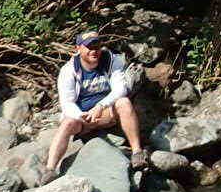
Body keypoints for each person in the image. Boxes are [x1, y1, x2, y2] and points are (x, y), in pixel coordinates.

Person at [46, 31, 147, 175]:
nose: (94, 51)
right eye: (89, 47)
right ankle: (50, 169)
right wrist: (82, 115)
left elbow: (120, 89)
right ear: (78, 48)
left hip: (106, 113)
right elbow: (67, 103)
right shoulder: (68, 70)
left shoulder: (112, 61)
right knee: (67, 123)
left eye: (97, 46)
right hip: (82, 118)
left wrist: (100, 106)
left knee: (124, 102)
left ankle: (137, 152)